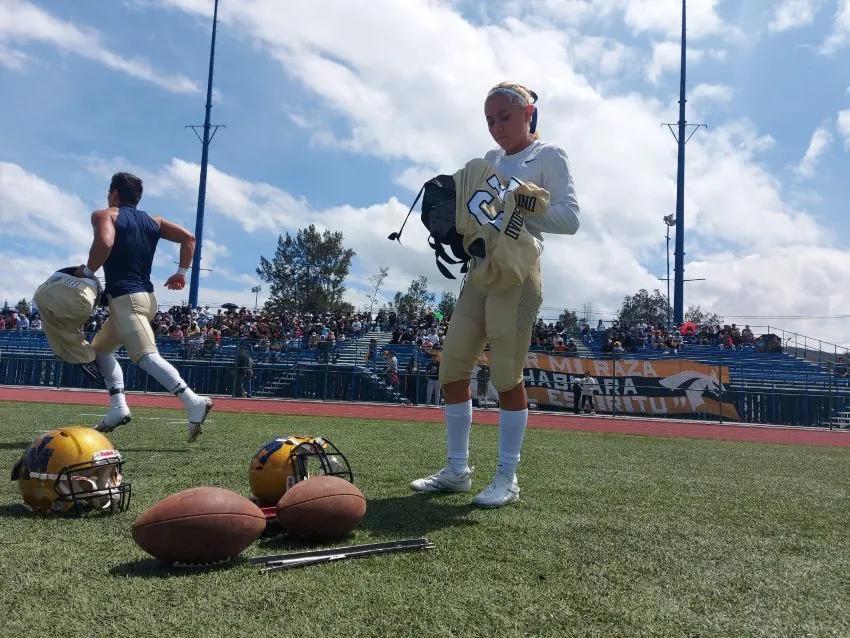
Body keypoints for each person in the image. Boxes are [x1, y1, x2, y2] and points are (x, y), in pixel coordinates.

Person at [410, 81, 581, 507]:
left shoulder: (550, 155)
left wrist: (525, 204)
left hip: (520, 272)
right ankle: (456, 469)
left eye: (504, 116)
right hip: (480, 269)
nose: (496, 127)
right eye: (489, 120)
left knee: (506, 373)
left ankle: (507, 477)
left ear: (528, 114)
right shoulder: (487, 160)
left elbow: (571, 218)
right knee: (451, 367)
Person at [75, 172, 213, 442]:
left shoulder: (105, 215)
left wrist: (88, 271)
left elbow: (104, 242)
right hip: (141, 300)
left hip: (127, 300)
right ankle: (118, 408)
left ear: (114, 194)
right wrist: (181, 272)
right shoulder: (154, 221)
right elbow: (189, 239)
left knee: (146, 356)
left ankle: (193, 401)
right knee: (100, 350)